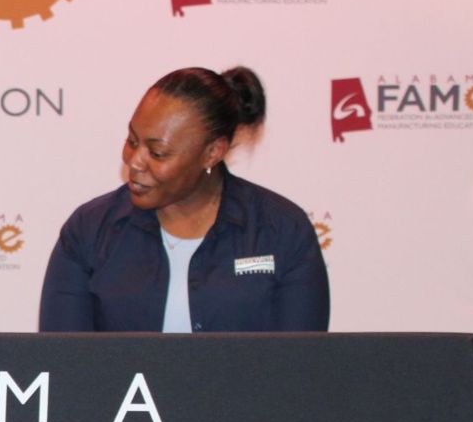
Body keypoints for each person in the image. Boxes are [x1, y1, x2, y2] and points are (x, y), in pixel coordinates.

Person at [39, 66, 328, 333]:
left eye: (158, 153)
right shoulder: (88, 231)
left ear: (213, 152)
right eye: (132, 141)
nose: (134, 162)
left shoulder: (283, 231)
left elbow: (299, 370)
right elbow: (65, 366)